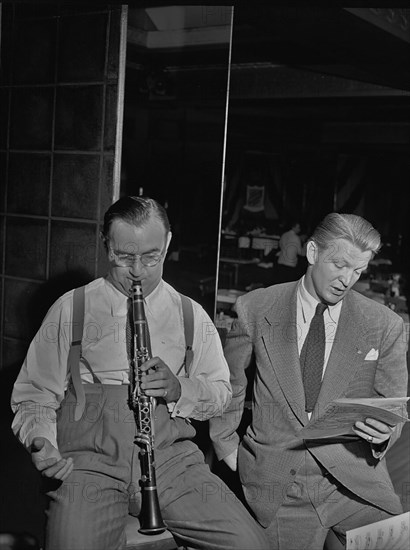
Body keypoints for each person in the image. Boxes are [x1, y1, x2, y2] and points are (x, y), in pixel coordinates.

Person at [11, 196, 269, 550]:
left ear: (167, 244)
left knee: (251, 545)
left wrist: (180, 389)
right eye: (124, 257)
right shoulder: (71, 308)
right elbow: (35, 395)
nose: (138, 271)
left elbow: (222, 395)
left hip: (171, 459)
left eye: (151, 257)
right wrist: (40, 441)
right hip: (89, 462)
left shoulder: (190, 314)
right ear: (106, 245)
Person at [210, 213, 408, 549]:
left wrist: (383, 436)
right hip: (279, 484)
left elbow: (394, 406)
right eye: (340, 265)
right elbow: (230, 385)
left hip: (355, 481)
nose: (347, 280)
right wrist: (229, 449)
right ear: (313, 252)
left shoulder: (383, 323)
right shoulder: (255, 308)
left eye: (358, 270)